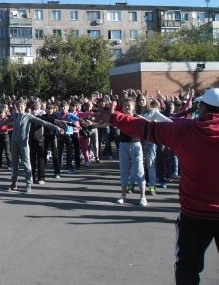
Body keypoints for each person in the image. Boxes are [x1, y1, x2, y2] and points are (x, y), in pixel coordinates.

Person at [93, 88, 219, 285]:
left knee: (187, 268)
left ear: (202, 108)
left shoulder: (185, 130)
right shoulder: (184, 128)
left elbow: (145, 128)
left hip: (195, 215)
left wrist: (114, 117)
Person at [0, 100, 64, 193]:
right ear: (16, 108)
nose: (20, 108)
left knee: (26, 164)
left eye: (22, 107)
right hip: (14, 142)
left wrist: (57, 128)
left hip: (24, 143)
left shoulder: (29, 117)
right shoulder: (14, 116)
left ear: (24, 107)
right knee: (14, 163)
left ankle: (28, 184)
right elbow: (3, 123)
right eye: (18, 107)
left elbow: (43, 122)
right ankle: (14, 183)